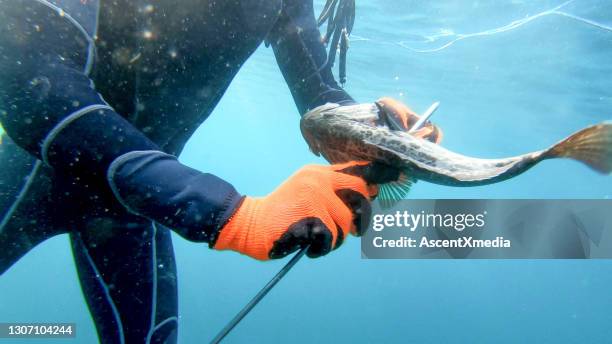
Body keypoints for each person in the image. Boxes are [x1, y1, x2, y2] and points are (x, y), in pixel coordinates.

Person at [0, 0, 440, 342]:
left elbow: (319, 92)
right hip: (34, 178)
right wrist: (231, 215)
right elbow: (33, 90)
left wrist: (374, 130)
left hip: (135, 208)